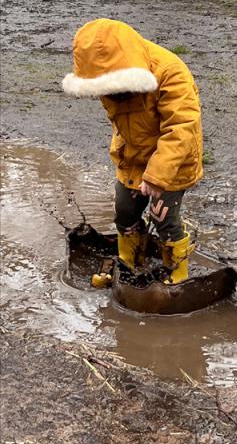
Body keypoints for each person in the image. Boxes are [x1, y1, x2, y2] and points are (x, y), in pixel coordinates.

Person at [62, 18, 203, 285]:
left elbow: (182, 127)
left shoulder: (170, 72)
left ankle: (176, 272)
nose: (110, 96)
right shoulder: (104, 77)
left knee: (165, 219)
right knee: (125, 211)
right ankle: (130, 261)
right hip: (133, 159)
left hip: (173, 162)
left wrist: (157, 175)